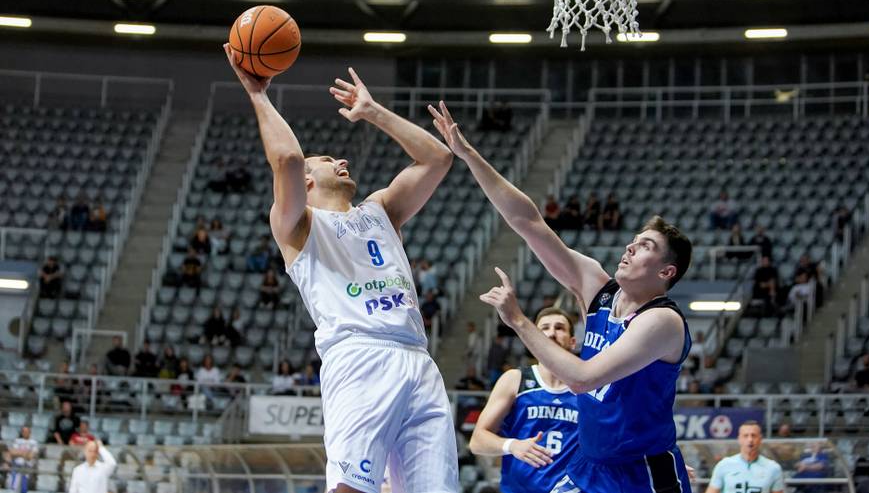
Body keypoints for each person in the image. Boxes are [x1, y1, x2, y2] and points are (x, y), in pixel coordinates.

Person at [224, 44, 458, 493]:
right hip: (359, 356)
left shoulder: (381, 210)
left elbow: (438, 158)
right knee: (352, 489)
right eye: (328, 159)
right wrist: (257, 94)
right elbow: (289, 159)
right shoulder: (297, 224)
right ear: (308, 181)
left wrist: (373, 112)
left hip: (418, 358)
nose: (341, 160)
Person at [429, 101, 694, 493]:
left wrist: (519, 321)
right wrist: (469, 155)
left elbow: (583, 379)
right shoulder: (600, 291)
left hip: (641, 473)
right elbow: (528, 222)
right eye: (634, 240)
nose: (630, 247)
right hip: (592, 467)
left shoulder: (662, 321)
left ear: (666, 272)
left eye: (646, 246)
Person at [469, 308, 580, 493]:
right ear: (533, 340)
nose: (552, 333)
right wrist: (512, 445)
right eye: (545, 328)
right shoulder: (515, 379)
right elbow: (477, 441)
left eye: (560, 328)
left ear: (573, 342)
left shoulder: (587, 388)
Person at [705, 421, 784, 493]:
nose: (750, 439)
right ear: (739, 439)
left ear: (760, 439)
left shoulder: (773, 468)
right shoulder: (724, 465)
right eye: (746, 436)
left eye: (754, 435)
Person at [4, 426, 39, 493]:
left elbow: (31, 456)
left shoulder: (34, 442)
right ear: (22, 432)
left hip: (27, 467)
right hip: (16, 466)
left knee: (24, 489)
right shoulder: (17, 441)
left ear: (30, 432)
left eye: (27, 431)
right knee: (14, 487)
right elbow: (12, 452)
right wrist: (26, 453)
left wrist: (18, 452)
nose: (25, 433)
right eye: (23, 431)